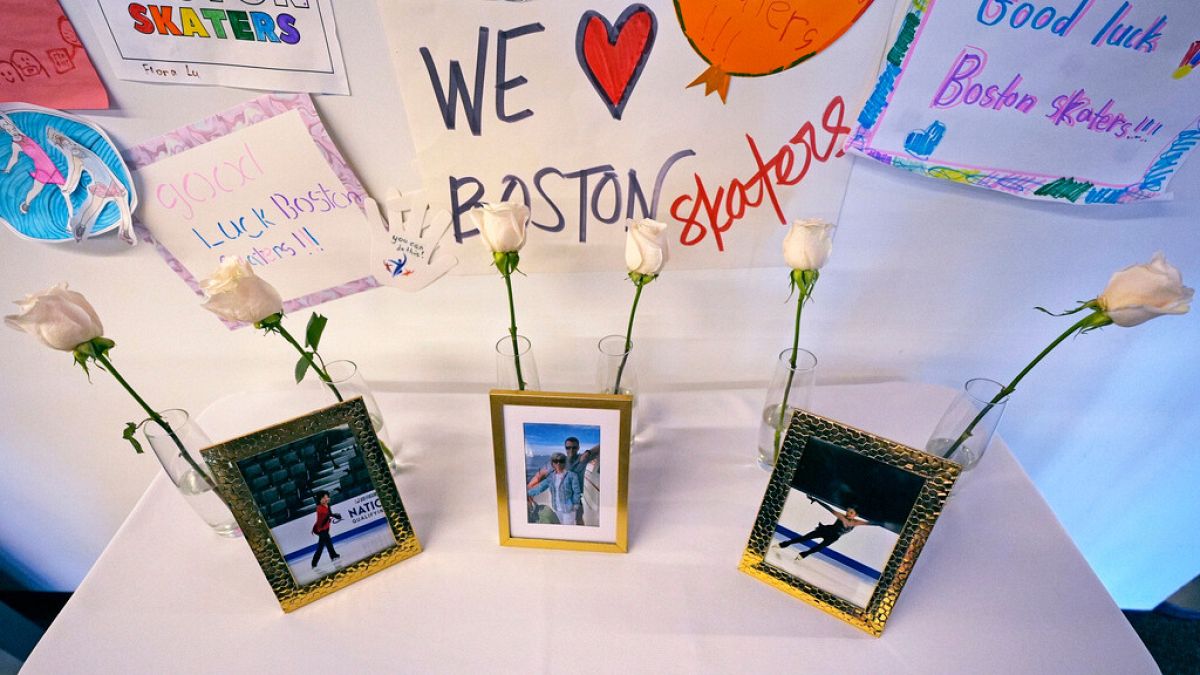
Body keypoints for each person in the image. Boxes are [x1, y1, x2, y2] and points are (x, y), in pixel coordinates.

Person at [1, 112, 65, 215]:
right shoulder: (16, 144)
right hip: (42, 168)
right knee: (36, 188)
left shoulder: (26, 133)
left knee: (64, 188)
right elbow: (14, 158)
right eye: (9, 130)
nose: (12, 131)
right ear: (6, 132)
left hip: (52, 164)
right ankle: (26, 204)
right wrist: (8, 169)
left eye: (13, 128)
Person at [527, 436, 597, 523]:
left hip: (572, 504)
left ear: (578, 448)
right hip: (558, 504)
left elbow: (576, 491)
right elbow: (540, 481)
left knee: (577, 520)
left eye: (574, 447)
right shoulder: (553, 472)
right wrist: (528, 491)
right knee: (561, 522)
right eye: (568, 447)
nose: (571, 450)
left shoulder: (580, 462)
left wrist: (588, 452)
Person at [778, 498, 872, 559]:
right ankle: (785, 543)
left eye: (851, 512)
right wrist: (817, 500)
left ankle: (804, 554)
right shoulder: (841, 517)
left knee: (819, 548)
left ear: (856, 515)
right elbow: (829, 508)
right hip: (826, 530)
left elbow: (871, 523)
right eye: (848, 511)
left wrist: (884, 523)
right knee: (804, 538)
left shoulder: (857, 523)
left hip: (833, 537)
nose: (848, 513)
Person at [527, 452, 581, 525]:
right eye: (556, 461)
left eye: (561, 461)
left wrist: (575, 504)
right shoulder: (551, 477)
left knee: (568, 528)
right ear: (553, 464)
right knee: (559, 525)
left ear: (565, 463)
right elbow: (540, 488)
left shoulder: (572, 476)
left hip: (569, 509)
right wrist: (527, 493)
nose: (558, 463)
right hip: (556, 508)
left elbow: (576, 492)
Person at [310, 491, 343, 568]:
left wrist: (334, 515)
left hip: (326, 527)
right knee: (322, 546)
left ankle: (333, 555)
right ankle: (314, 563)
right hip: (321, 529)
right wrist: (335, 515)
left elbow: (330, 513)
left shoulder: (328, 505)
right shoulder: (319, 508)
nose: (326, 499)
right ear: (319, 500)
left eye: (327, 497)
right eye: (324, 498)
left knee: (327, 543)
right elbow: (327, 516)